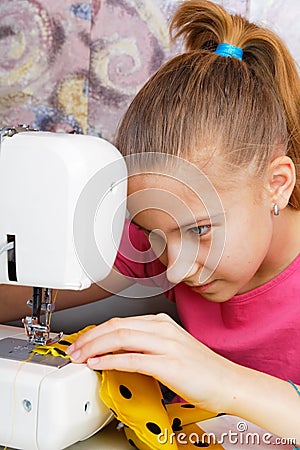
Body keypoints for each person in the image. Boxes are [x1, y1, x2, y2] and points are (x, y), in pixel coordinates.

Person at [1, 0, 300, 443]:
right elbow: (18, 294)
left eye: (200, 231)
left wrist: (223, 382)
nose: (175, 267)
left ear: (277, 184)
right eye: (153, 233)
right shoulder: (160, 246)